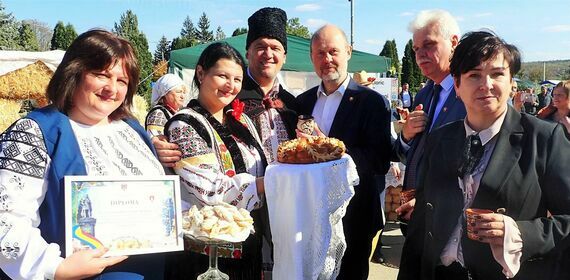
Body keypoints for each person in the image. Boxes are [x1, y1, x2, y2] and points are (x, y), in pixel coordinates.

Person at [398, 30, 570, 280]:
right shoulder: (439, 139)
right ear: (457, 85)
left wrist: (519, 232)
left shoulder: (544, 139)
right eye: (474, 75)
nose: (486, 85)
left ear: (512, 83)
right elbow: (422, 227)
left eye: (497, 74)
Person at [0, 29, 166, 280]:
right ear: (73, 74)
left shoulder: (132, 129)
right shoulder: (37, 130)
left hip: (149, 270)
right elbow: (7, 218)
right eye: (101, 75)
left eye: (122, 81)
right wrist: (54, 268)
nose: (112, 88)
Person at [163, 42, 267, 280]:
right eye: (222, 76)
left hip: (246, 246)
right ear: (201, 73)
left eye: (237, 79)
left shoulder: (242, 122)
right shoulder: (184, 124)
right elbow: (210, 189)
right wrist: (269, 182)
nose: (231, 86)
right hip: (205, 254)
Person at [296, 24, 392, 280]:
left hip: (354, 218)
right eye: (319, 53)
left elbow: (380, 161)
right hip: (309, 214)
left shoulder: (372, 102)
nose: (326, 59)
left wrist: (331, 148)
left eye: (333, 51)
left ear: (348, 52)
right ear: (311, 57)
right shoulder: (302, 102)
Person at [394, 9, 467, 228]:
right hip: (415, 216)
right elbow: (406, 155)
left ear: (454, 42)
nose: (420, 54)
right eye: (416, 48)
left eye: (429, 45)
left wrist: (431, 201)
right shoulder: (426, 94)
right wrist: (406, 135)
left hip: (449, 221)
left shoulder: (469, 95)